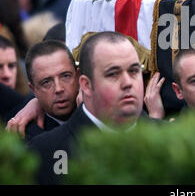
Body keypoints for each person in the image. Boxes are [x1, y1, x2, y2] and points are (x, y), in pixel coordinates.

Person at [28, 31, 148, 184]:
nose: (128, 83)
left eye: (133, 71)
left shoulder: (169, 139)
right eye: (113, 74)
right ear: (85, 84)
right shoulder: (44, 152)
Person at [5, 40, 79, 141]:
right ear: (33, 89)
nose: (58, 89)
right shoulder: (27, 139)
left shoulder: (101, 115)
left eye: (65, 76)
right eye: (46, 82)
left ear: (78, 76)